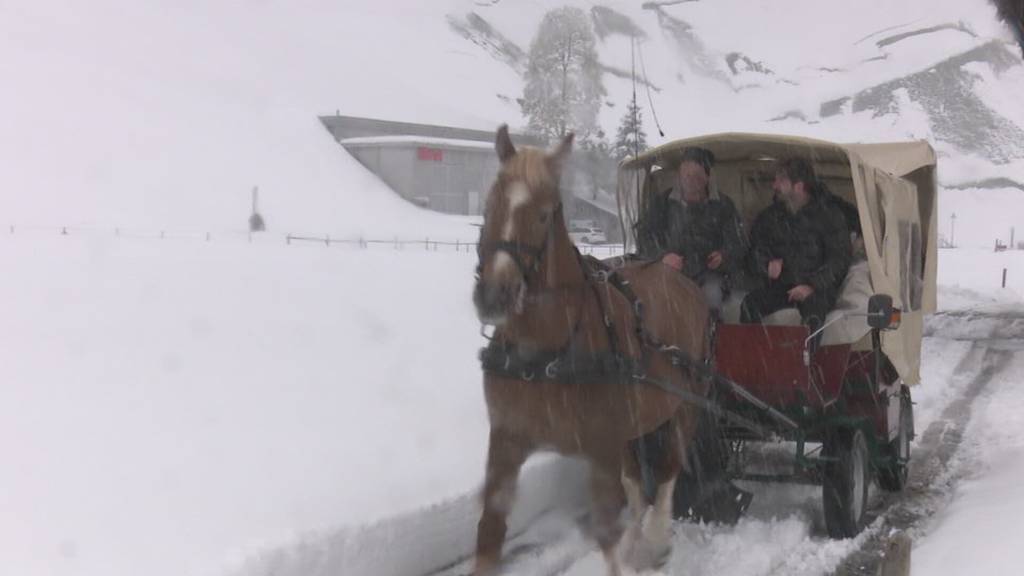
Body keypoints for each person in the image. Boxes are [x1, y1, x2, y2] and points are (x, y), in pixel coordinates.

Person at [741, 157, 851, 352]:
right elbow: (755, 248)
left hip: (818, 290)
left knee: (814, 316)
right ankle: (752, 359)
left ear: (798, 186)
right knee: (750, 305)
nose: (774, 185)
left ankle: (806, 368)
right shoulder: (771, 216)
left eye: (780, 181)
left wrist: (811, 285)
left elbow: (839, 259)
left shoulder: (829, 216)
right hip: (782, 287)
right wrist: (766, 263)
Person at [635, 147, 747, 311]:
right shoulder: (662, 204)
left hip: (710, 275)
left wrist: (723, 255)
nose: (690, 180)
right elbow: (645, 237)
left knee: (711, 297)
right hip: (668, 273)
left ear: (707, 177)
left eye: (696, 176)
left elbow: (739, 242)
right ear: (679, 175)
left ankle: (710, 333)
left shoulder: (723, 206)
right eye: (686, 174)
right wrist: (663, 257)